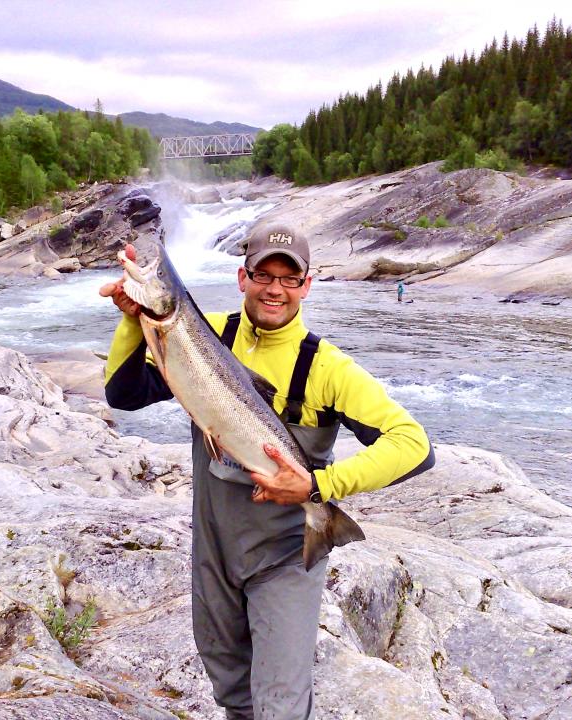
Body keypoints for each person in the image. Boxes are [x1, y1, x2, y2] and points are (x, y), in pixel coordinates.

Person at [100, 223, 435, 720]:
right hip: (213, 549)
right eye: (263, 274)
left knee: (280, 705)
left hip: (284, 558)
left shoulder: (329, 368)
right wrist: (134, 319)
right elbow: (124, 395)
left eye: (288, 278)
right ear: (242, 277)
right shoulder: (205, 332)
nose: (274, 288)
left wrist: (319, 486)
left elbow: (415, 446)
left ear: (306, 285)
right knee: (232, 690)